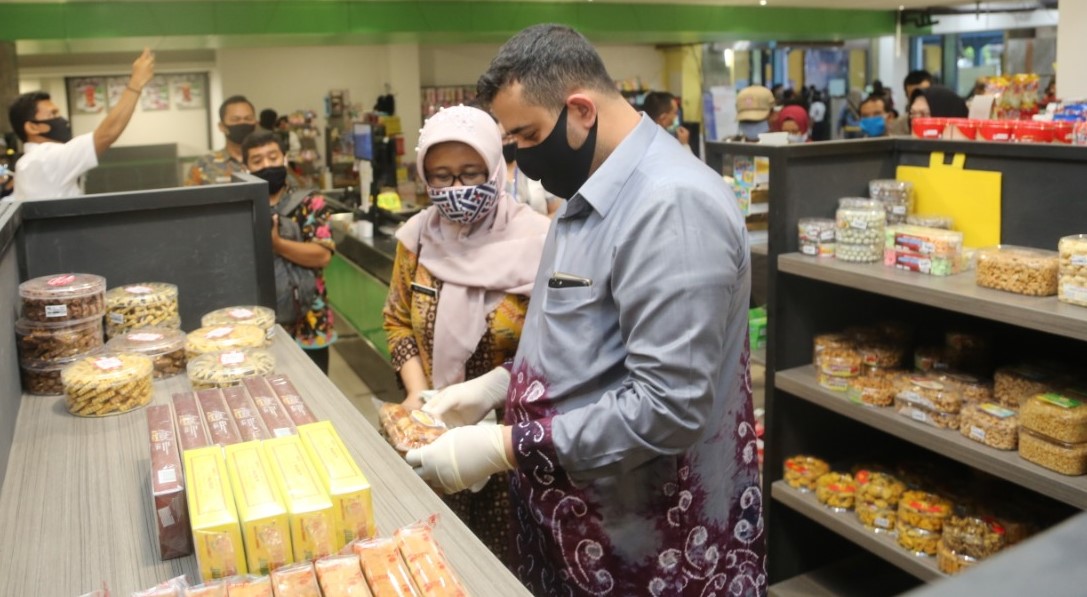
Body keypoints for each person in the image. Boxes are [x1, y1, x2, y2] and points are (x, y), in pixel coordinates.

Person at [407, 23, 765, 596]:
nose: (520, 160)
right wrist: (496, 388)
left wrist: (503, 447)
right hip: (579, 527)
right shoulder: (589, 196)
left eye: (526, 135)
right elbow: (582, 337)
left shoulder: (670, 207)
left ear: (580, 110)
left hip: (647, 547)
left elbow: (670, 405)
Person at [382, 104, 550, 563]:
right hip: (436, 434)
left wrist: (496, 402)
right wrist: (419, 394)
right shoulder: (416, 239)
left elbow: (561, 349)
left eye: (470, 172)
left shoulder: (543, 241)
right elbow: (397, 320)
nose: (456, 189)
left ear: (495, 167)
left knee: (506, 564)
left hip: (515, 445)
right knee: (446, 560)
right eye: (440, 176)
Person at [240, 130, 337, 373]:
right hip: (256, 327)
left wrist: (278, 245)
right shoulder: (241, 208)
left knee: (316, 396)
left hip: (309, 322)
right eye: (257, 160)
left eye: (273, 157)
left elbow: (322, 255)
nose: (267, 164)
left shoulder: (310, 202)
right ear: (245, 167)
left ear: (284, 158)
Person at [8, 49, 155, 201]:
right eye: (52, 114)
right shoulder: (45, 159)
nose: (61, 120)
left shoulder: (27, 163)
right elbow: (106, 135)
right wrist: (136, 83)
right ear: (33, 127)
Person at [185, 95, 257, 186]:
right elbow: (188, 198)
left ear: (256, 123)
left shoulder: (268, 161)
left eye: (248, 118)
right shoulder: (203, 165)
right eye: (235, 119)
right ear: (222, 126)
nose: (242, 123)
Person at [502, 141, 562, 217]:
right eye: (503, 138)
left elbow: (556, 213)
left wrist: (538, 225)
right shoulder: (494, 180)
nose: (508, 141)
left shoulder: (535, 169)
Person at [891, 70, 933, 136]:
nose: (919, 99)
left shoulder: (943, 122)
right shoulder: (899, 125)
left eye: (924, 93)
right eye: (914, 96)